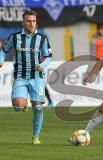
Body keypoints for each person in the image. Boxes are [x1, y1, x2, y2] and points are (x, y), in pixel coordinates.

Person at [0, 10, 52, 144]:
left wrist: (43, 65)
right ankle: (23, 105)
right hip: (21, 77)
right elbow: (4, 51)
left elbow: (48, 56)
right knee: (17, 106)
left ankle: (36, 137)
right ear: (23, 22)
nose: (31, 24)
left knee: (38, 108)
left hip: (37, 77)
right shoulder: (15, 37)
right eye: (28, 21)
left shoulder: (42, 38)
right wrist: (1, 60)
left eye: (34, 21)